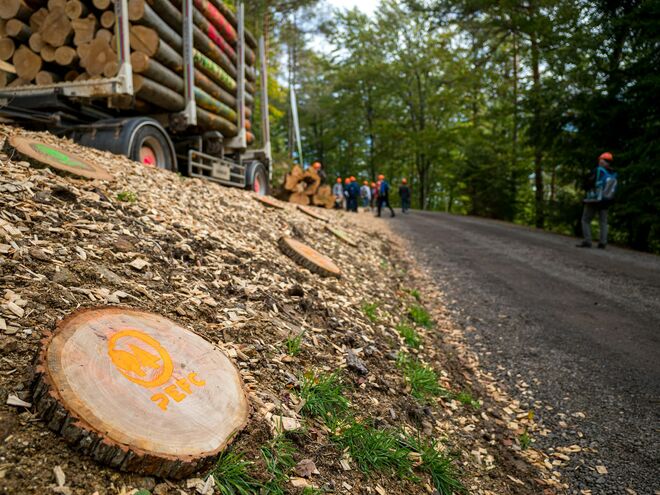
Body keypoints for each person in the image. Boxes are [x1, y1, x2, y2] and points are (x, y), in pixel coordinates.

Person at [577, 152, 618, 249]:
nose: (600, 161)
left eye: (601, 159)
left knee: (585, 220)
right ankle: (603, 242)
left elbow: (588, 183)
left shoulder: (598, 170)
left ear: (603, 161)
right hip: (606, 200)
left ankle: (587, 241)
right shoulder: (612, 173)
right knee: (603, 222)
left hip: (595, 199)